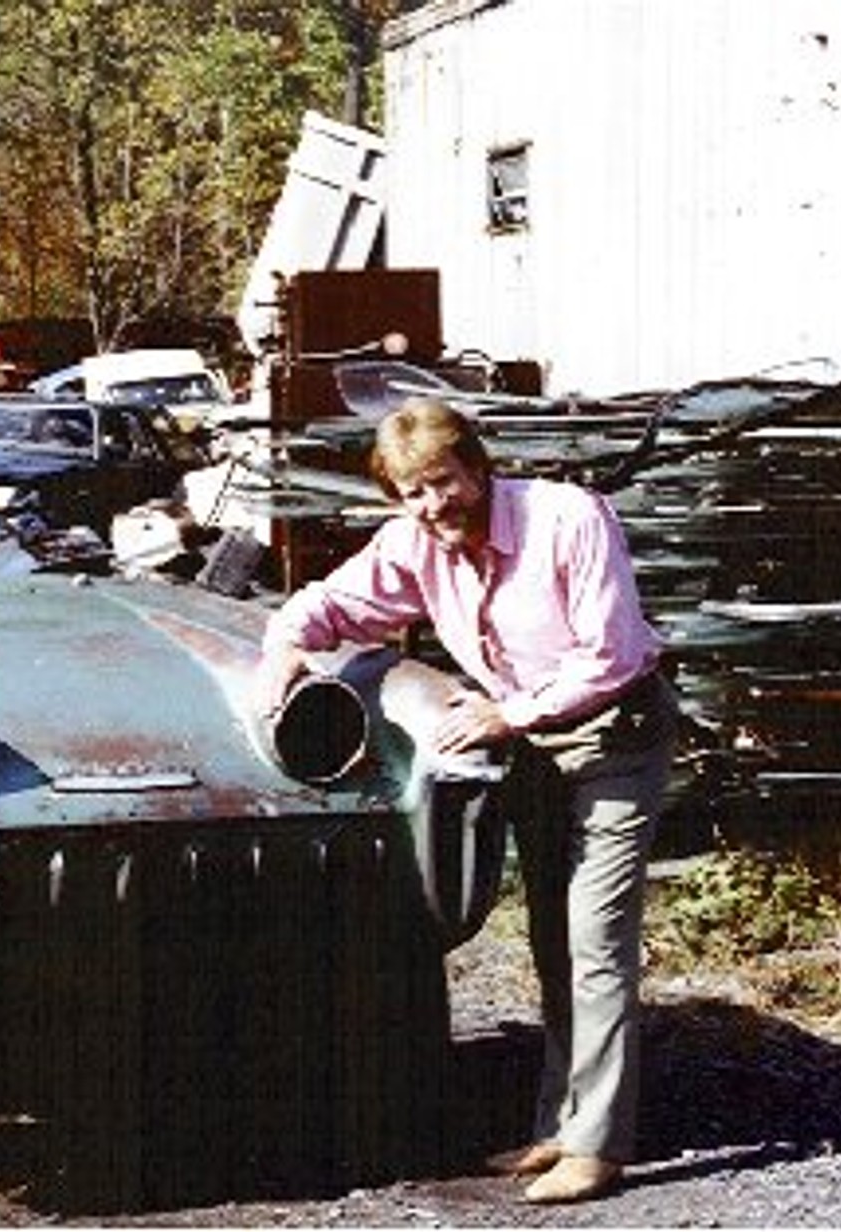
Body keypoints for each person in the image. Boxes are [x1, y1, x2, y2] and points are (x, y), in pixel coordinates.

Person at [252, 397, 680, 1205]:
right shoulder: (415, 543)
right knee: (553, 935)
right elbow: (334, 604)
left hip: (614, 736)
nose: (432, 504)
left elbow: (613, 654)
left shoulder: (567, 518)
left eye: (444, 482)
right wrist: (286, 646)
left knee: (596, 939)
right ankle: (561, 1124)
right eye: (412, 491)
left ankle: (599, 1148)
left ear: (479, 468)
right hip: (528, 742)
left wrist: (505, 715)